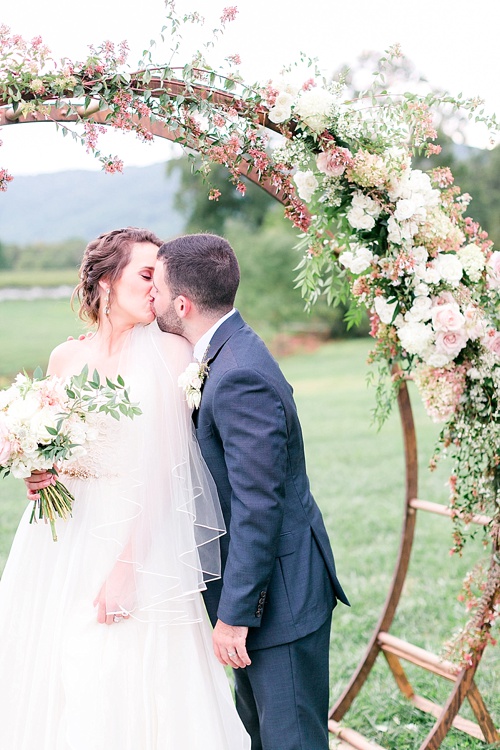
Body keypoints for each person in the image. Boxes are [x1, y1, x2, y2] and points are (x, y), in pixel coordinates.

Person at [2, 227, 251, 749]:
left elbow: (169, 473)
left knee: (119, 667)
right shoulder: (65, 359)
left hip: (141, 536)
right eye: (145, 274)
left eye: (160, 276)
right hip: (60, 538)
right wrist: (39, 471)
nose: (157, 286)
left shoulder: (173, 354)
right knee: (53, 665)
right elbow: (55, 445)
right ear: (107, 281)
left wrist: (127, 567)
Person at [151, 232, 350, 750]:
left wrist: (235, 617)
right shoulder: (224, 351)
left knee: (290, 742)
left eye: (158, 287)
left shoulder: (238, 374)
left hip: (277, 601)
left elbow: (259, 506)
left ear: (182, 303)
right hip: (266, 596)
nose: (152, 298)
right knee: (261, 737)